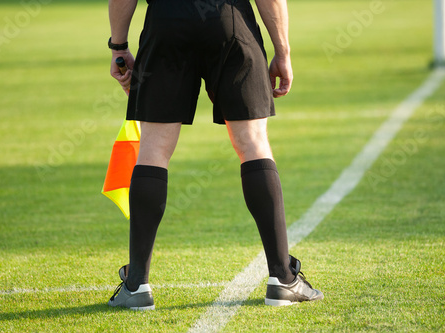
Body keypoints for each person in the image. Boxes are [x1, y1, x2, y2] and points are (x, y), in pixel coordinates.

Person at [107, 0, 323, 310]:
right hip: (229, 19)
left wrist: (119, 46)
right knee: (252, 142)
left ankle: (136, 284)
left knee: (153, 148)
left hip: (166, 21)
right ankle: (283, 279)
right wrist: (283, 51)